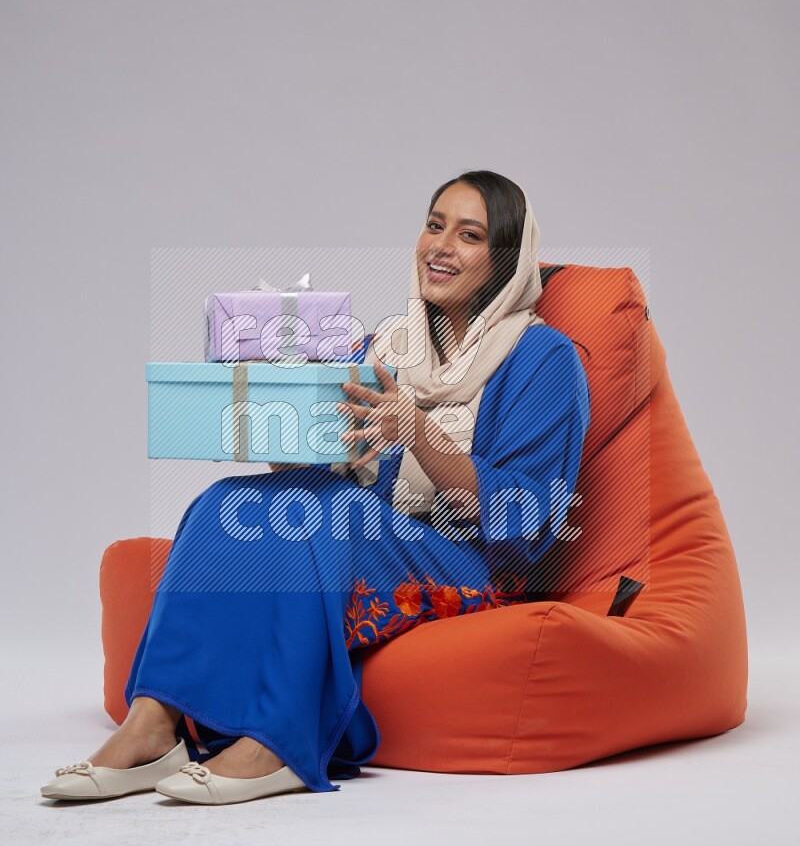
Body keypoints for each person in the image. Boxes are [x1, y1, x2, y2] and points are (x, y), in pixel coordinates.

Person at [41, 170, 591, 806]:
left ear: (505, 261)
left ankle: (280, 741)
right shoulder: (386, 344)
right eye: (434, 224)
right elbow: (333, 468)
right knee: (226, 502)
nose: (440, 245)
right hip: (376, 528)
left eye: (469, 235)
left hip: (475, 559)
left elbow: (528, 522)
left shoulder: (545, 359)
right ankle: (152, 726)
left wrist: (417, 430)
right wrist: (277, 412)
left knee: (329, 517)